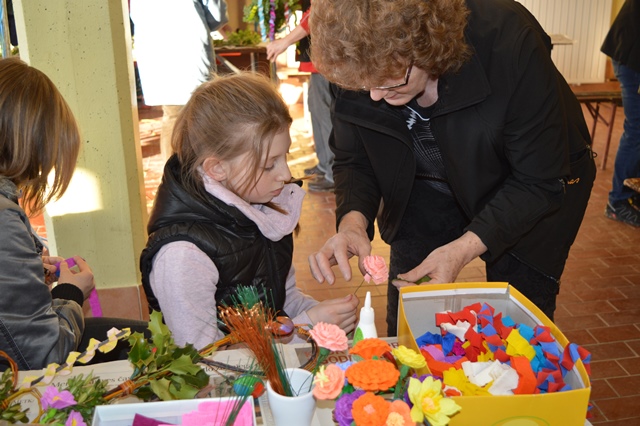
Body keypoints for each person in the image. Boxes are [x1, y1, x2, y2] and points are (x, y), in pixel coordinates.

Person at [307, 0, 597, 336]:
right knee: (412, 319)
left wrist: (463, 249)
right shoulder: (352, 55)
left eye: (390, 80)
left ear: (426, 43)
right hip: (425, 183)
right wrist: (352, 224)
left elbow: (538, 179)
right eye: (362, 84)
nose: (373, 95)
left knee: (517, 326)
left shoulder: (508, 41)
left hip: (526, 187)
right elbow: (355, 158)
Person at [139, 72, 359, 350]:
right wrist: (306, 327)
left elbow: (282, 299)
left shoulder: (260, 209)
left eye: (285, 156)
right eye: (269, 165)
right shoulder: (183, 256)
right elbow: (205, 360)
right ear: (217, 168)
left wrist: (324, 315)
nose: (286, 174)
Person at [0, 58, 148, 371]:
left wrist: (29, 271)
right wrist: (71, 293)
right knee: (144, 345)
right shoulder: (4, 221)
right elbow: (46, 356)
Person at [129, 0, 229, 162]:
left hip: (155, 50)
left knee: (172, 115)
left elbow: (134, 15)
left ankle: (171, 173)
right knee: (202, 114)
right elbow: (217, 16)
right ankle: (200, 172)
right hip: (189, 49)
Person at [266, 0, 335, 192]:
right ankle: (324, 164)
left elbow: (317, 12)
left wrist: (284, 42)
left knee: (325, 116)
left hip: (328, 57)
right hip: (318, 59)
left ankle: (332, 173)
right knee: (316, 110)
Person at [601, 0, 640, 227]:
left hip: (630, 50)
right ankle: (618, 202)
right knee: (637, 131)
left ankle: (631, 194)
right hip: (633, 57)